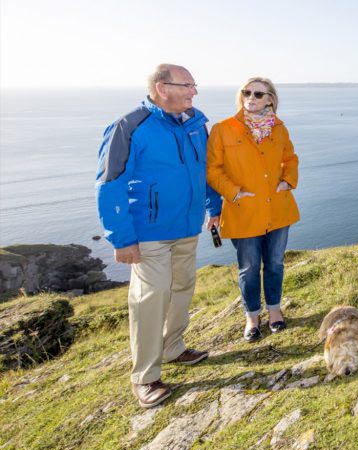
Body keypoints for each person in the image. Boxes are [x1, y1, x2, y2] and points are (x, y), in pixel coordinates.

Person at [96, 64, 222, 408]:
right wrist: (120, 238)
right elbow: (110, 184)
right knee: (150, 297)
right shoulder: (130, 126)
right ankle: (145, 376)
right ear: (162, 87)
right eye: (188, 85)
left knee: (182, 287)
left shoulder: (196, 124)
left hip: (186, 226)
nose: (194, 92)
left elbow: (205, 172)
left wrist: (214, 207)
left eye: (194, 85)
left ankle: (173, 348)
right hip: (148, 231)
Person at [206, 77, 299, 342]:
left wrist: (287, 180)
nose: (252, 97)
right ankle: (252, 317)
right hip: (243, 210)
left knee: (275, 264)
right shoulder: (223, 129)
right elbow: (212, 170)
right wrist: (234, 191)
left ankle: (274, 310)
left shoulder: (279, 128)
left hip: (278, 210)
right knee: (248, 267)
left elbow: (290, 158)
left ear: (270, 98)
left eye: (259, 94)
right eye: (247, 92)